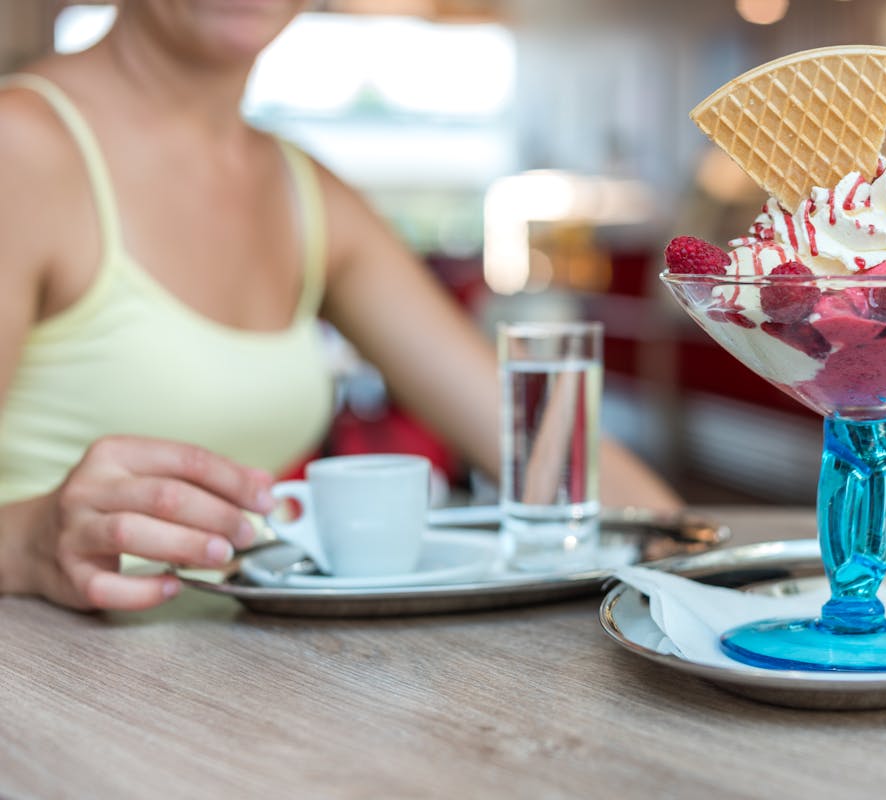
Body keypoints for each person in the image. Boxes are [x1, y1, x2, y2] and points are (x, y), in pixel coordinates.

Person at [0, 0, 681, 612]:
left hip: (229, 706)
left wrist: (710, 558)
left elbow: (546, 451)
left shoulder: (306, 191)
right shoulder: (19, 147)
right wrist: (30, 539)